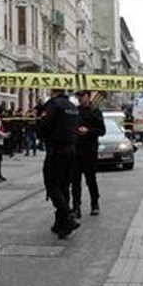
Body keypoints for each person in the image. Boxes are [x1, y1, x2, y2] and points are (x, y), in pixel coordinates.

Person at [36, 88, 80, 238]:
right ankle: (61, 224)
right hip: (71, 150)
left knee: (52, 185)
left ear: (52, 90)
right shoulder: (72, 106)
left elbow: (44, 126)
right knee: (64, 186)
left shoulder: (53, 105)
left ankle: (67, 216)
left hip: (56, 149)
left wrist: (39, 126)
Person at [72, 90, 106, 218]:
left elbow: (102, 131)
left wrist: (88, 131)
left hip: (89, 150)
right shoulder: (75, 110)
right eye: (78, 96)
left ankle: (95, 204)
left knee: (91, 179)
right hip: (76, 150)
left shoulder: (95, 111)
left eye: (82, 96)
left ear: (88, 96)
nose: (80, 98)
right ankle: (76, 207)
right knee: (75, 181)